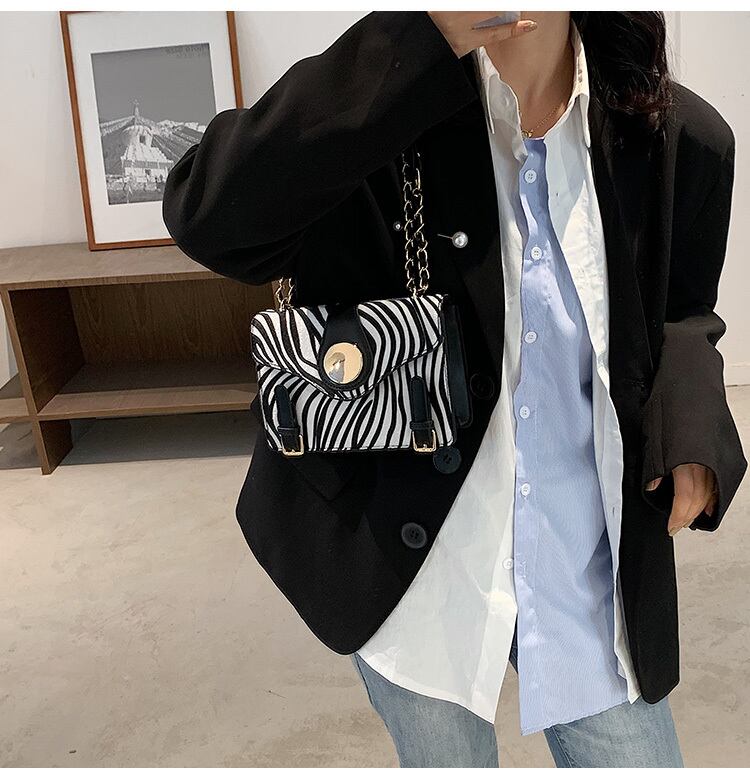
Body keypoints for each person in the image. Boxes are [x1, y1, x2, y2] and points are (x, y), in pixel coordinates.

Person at [162, 11, 747, 768]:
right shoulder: (379, 107)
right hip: (413, 564)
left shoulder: (670, 132)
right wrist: (415, 42)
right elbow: (207, 215)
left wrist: (691, 425)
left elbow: (682, 311)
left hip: (585, 552)